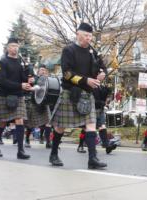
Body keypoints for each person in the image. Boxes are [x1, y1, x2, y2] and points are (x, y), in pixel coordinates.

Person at [50, 22, 107, 169]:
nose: (89, 38)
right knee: (60, 127)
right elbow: (67, 74)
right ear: (78, 34)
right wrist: (85, 80)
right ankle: (54, 153)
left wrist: (102, 74)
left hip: (87, 94)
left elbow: (102, 67)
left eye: (90, 36)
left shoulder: (93, 52)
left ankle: (92, 159)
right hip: (71, 93)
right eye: (86, 35)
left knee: (91, 125)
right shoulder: (69, 50)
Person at [0, 37, 32, 159]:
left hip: (18, 95)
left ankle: (20, 151)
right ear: (8, 48)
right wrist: (20, 85)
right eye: (13, 46)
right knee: (2, 122)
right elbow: (3, 81)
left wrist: (29, 79)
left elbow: (23, 79)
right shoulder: (2, 62)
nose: (15, 48)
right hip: (4, 95)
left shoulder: (20, 62)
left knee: (20, 120)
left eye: (17, 46)